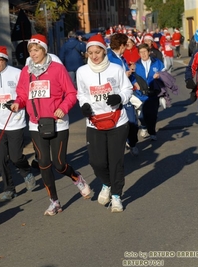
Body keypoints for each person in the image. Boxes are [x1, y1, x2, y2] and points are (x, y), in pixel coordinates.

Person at [10, 34, 92, 216]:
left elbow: (71, 93)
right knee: (44, 164)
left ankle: (77, 178)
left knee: (59, 163)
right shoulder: (26, 72)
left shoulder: (57, 69)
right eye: (30, 50)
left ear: (44, 50)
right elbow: (22, 94)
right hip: (36, 124)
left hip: (58, 123)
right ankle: (54, 202)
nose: (33, 53)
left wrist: (63, 108)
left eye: (36, 49)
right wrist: (17, 103)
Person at [76, 34, 133, 212]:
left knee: (116, 161)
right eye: (90, 52)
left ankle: (116, 196)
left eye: (97, 52)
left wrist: (120, 97)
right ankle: (107, 184)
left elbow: (128, 88)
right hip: (94, 122)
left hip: (117, 121)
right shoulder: (82, 72)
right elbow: (82, 93)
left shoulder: (116, 69)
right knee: (96, 161)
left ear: (103, 51)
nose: (94, 56)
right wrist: (84, 105)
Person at [0, 46, 36, 202]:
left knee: (16, 157)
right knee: (1, 159)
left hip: (15, 121)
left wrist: (17, 103)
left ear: (5, 60)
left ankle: (26, 172)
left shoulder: (17, 74)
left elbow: (26, 94)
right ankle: (9, 189)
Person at [107, 33, 139, 156]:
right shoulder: (109, 58)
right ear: (121, 45)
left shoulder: (121, 57)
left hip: (125, 94)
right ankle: (120, 146)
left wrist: (135, 83)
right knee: (117, 123)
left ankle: (132, 143)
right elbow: (108, 77)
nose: (126, 47)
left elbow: (127, 72)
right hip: (114, 96)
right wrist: (124, 75)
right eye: (125, 45)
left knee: (132, 121)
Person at [133, 44, 165, 141]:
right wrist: (135, 83)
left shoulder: (157, 63)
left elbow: (165, 73)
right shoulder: (136, 64)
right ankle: (143, 126)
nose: (143, 54)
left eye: (145, 52)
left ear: (149, 52)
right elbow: (132, 77)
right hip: (141, 94)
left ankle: (152, 132)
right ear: (138, 54)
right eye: (141, 52)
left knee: (153, 114)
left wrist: (159, 75)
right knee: (142, 115)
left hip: (153, 93)